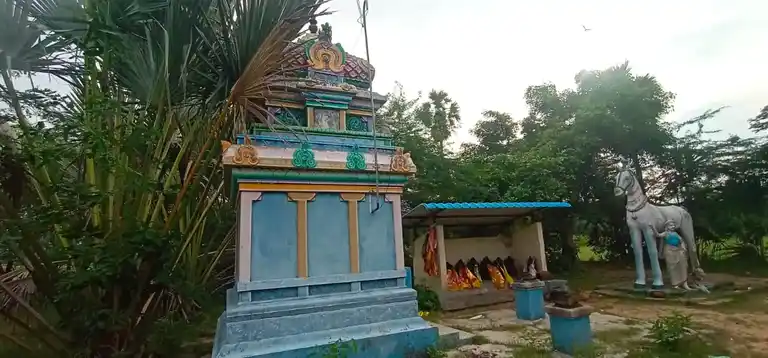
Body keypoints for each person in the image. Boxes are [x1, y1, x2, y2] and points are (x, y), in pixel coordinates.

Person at [653, 220, 691, 290]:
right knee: (672, 267)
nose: (673, 226)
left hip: (678, 250)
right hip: (669, 251)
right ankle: (675, 284)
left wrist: (683, 247)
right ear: (667, 227)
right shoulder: (665, 233)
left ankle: (684, 283)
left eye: (673, 225)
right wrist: (653, 227)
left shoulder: (676, 234)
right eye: (671, 225)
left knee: (683, 265)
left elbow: (681, 241)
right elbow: (658, 235)